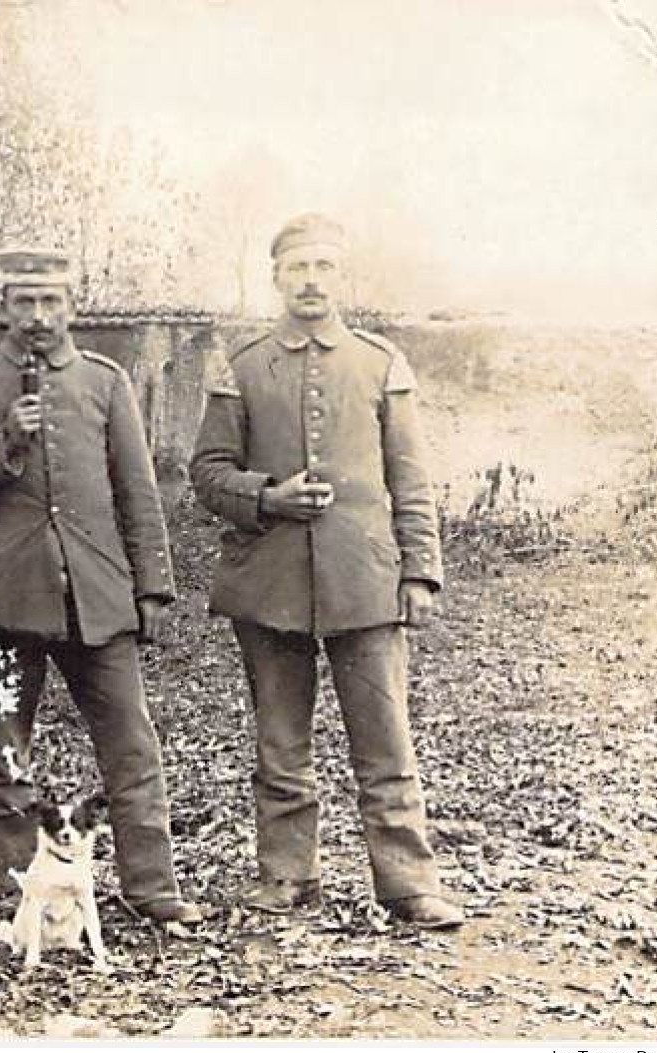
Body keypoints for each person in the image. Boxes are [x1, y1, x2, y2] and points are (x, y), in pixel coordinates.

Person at [188, 213, 465, 930]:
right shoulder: (243, 367)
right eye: (296, 269)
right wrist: (266, 497)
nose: (310, 281)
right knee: (279, 741)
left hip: (365, 581)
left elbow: (411, 478)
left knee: (384, 738)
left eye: (323, 267)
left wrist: (419, 572)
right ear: (275, 278)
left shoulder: (379, 364)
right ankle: (286, 876)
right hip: (268, 583)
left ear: (341, 277)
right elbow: (206, 475)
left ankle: (406, 883)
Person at [0, 247, 201, 935]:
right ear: (2, 308)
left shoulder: (104, 383)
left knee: (130, 747)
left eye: (51, 301)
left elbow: (136, 493)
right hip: (5, 604)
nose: (38, 316)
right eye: (23, 302)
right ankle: (19, 892)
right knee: (3, 752)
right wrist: (1, 442)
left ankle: (152, 887)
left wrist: (150, 590)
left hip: (97, 601)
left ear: (72, 307)